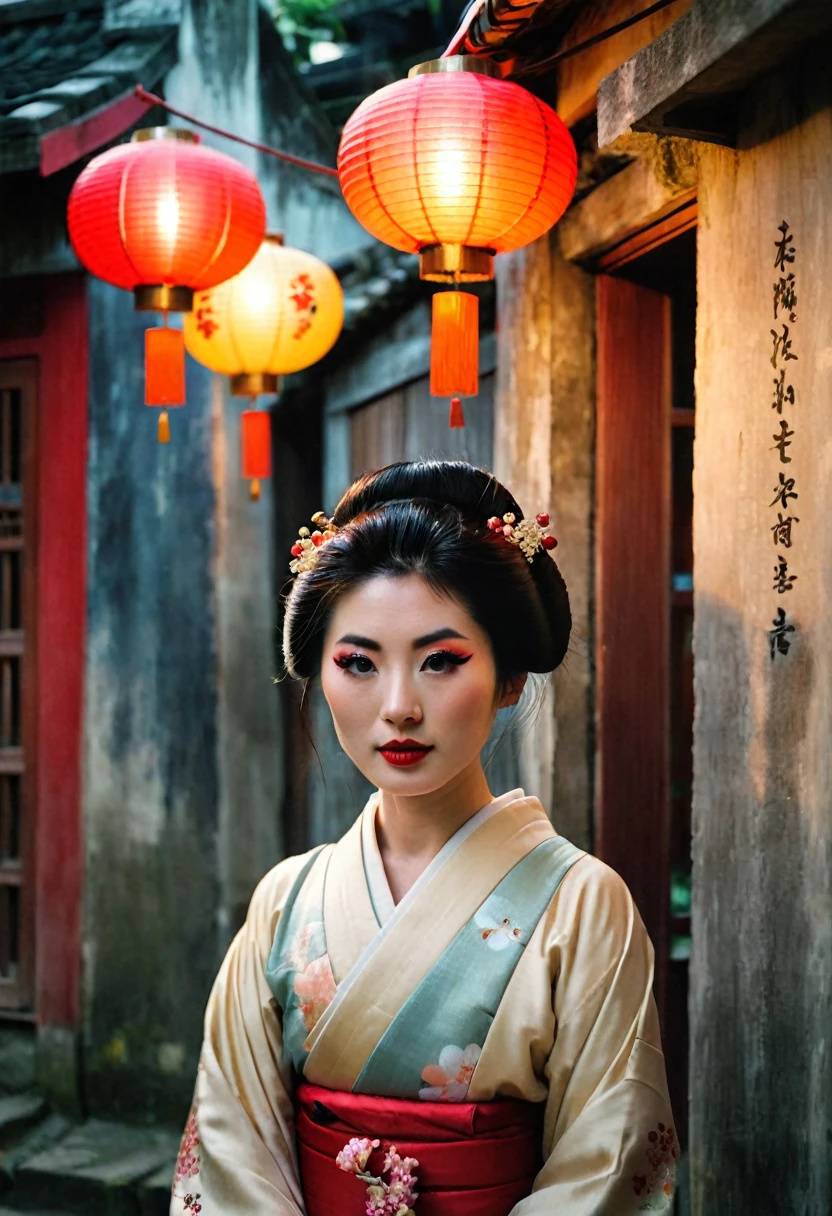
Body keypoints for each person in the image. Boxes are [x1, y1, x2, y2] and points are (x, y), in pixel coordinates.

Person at [171, 460, 677, 1216]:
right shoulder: (286, 903)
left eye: (441, 661)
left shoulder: (583, 907)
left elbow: (605, 1171)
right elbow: (230, 1155)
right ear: (319, 674)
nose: (399, 706)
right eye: (358, 664)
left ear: (508, 678)